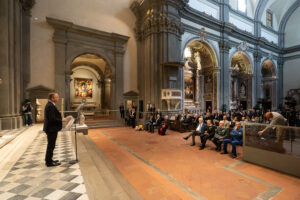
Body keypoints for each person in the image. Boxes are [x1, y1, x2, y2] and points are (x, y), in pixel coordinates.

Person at [43, 93, 66, 167]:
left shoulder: (51, 105)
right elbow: (52, 119)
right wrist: (61, 120)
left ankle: (49, 159)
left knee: (51, 145)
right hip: (51, 129)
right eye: (56, 97)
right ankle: (49, 162)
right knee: (51, 145)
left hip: (51, 128)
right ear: (52, 98)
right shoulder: (50, 106)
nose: (58, 98)